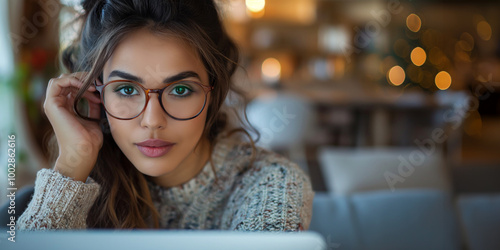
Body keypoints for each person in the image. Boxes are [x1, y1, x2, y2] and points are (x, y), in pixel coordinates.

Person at [17, 0, 314, 231]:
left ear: (214, 91)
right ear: (95, 92)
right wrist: (72, 164)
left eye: (181, 89)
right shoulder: (71, 186)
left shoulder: (273, 185)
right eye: (126, 90)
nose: (152, 120)